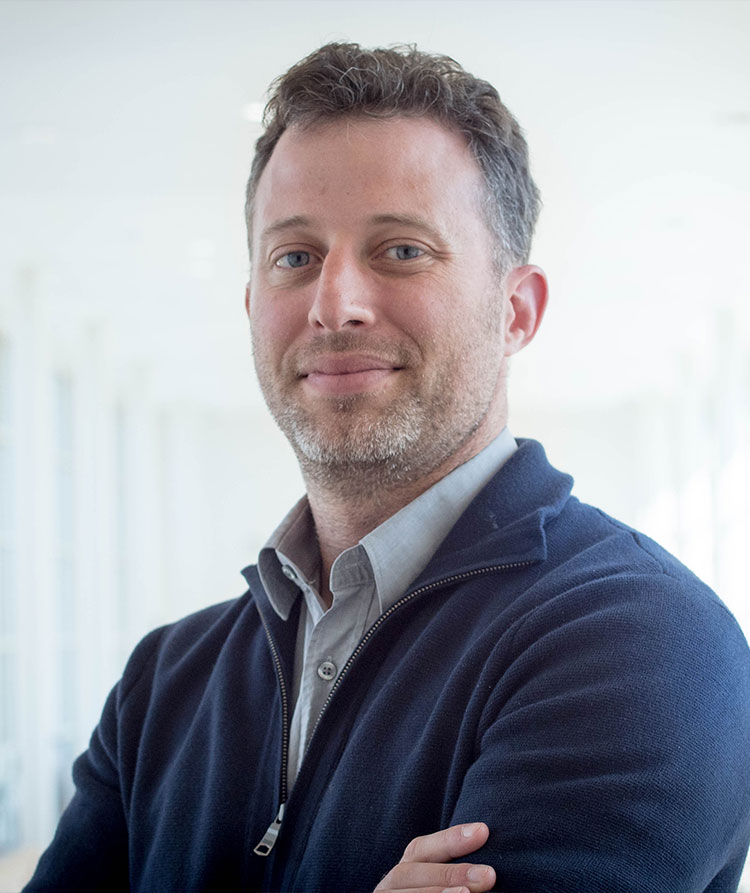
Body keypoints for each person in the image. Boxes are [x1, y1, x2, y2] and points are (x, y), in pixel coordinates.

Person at [26, 42, 750, 893]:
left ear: (516, 311)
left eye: (402, 250)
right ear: (253, 305)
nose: (334, 304)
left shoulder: (643, 644)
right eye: (294, 257)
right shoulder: (162, 686)